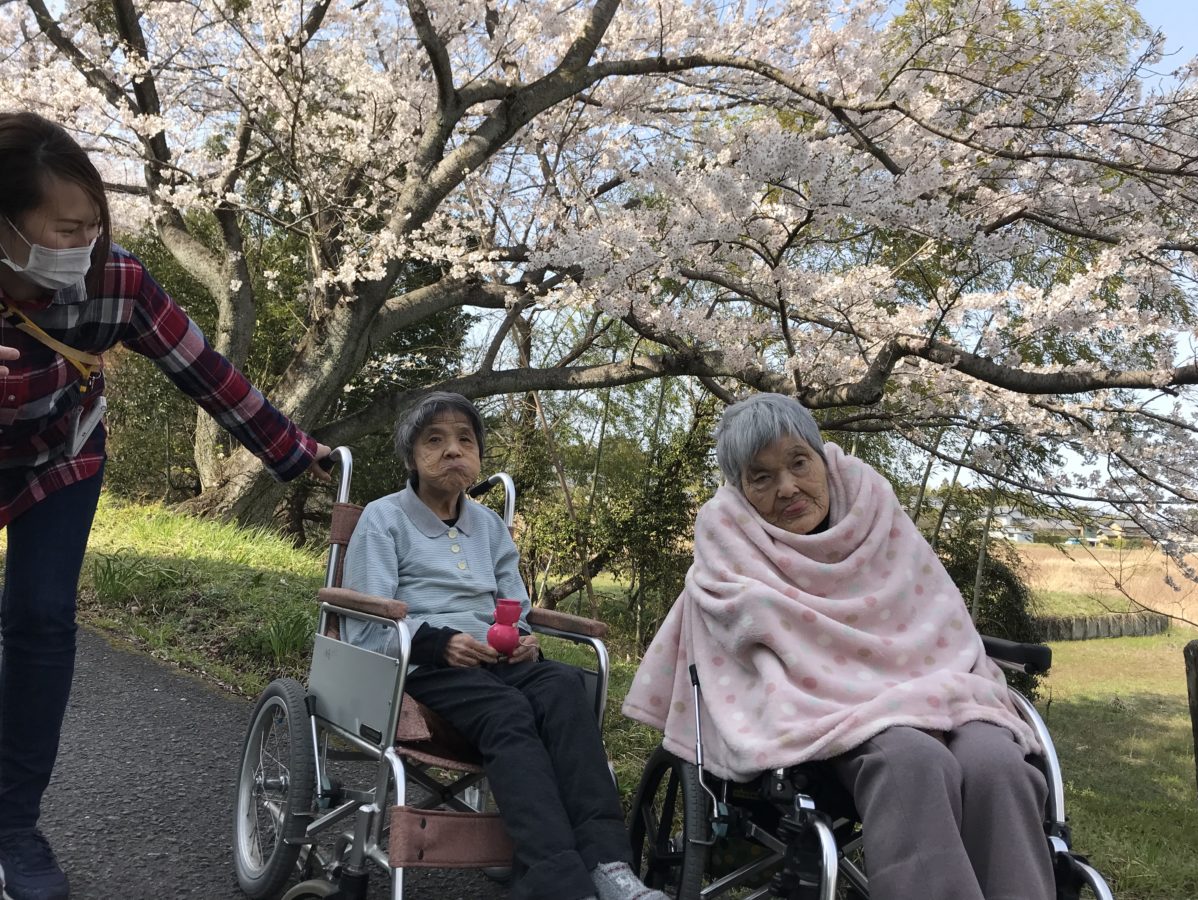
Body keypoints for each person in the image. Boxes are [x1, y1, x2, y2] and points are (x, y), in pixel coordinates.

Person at [0, 111, 331, 900]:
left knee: (41, 619)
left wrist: (292, 450)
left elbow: (204, 369)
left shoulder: (115, 280)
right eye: (66, 229)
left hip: (61, 455)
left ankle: (12, 825)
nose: (84, 245)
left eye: (93, 226)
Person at [623, 393, 1057, 900]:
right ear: (740, 491)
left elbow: (935, 611)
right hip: (826, 706)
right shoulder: (730, 548)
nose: (788, 487)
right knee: (912, 762)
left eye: (798, 462)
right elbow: (735, 647)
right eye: (762, 477)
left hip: (939, 685)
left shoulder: (877, 512)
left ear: (822, 458)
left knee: (998, 764)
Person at [341, 391, 663, 900]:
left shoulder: (489, 526)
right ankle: (557, 880)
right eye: (435, 441)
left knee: (563, 687)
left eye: (464, 440)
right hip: (420, 667)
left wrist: (525, 641)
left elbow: (515, 606)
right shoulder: (383, 519)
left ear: (478, 456)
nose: (452, 450)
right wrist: (439, 644)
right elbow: (367, 625)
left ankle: (608, 863)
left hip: (494, 662)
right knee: (508, 710)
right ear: (411, 458)